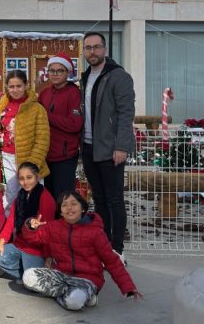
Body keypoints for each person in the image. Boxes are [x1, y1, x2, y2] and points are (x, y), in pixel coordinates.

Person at [22, 191, 142, 311]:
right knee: (28, 276)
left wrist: (128, 287)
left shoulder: (96, 232)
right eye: (64, 205)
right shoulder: (53, 227)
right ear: (61, 212)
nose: (69, 208)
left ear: (83, 209)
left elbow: (112, 261)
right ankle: (79, 295)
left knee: (74, 302)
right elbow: (34, 238)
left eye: (74, 204)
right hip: (62, 276)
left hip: (87, 279)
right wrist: (31, 226)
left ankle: (80, 294)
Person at [80, 32, 135, 264]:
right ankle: (103, 246)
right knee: (99, 199)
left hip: (111, 148)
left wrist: (121, 146)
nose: (92, 52)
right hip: (89, 147)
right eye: (88, 48)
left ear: (105, 50)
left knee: (114, 199)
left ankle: (117, 249)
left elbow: (126, 113)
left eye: (96, 47)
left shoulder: (118, 76)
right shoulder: (85, 77)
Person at [0, 70, 50, 211]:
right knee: (9, 197)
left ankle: (33, 230)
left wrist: (32, 164)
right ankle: (10, 231)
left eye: (19, 86)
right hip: (7, 157)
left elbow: (42, 140)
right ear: (7, 87)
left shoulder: (37, 108)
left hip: (30, 160)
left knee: (34, 199)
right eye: (11, 86)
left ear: (26, 85)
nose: (15, 90)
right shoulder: (1, 107)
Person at [0, 162, 56, 280]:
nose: (25, 182)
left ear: (38, 176)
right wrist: (1, 242)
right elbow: (11, 221)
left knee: (33, 284)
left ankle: (28, 274)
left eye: (29, 177)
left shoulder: (46, 198)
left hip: (36, 249)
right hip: (20, 244)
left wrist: (49, 257)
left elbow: (48, 231)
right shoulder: (20, 195)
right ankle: (24, 273)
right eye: (21, 179)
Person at [38, 53, 83, 199]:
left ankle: (65, 223)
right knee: (47, 199)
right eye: (52, 70)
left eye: (60, 70)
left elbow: (75, 124)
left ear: (68, 72)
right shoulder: (44, 93)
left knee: (63, 198)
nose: (55, 74)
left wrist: (47, 117)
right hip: (45, 155)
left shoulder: (74, 93)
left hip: (65, 157)